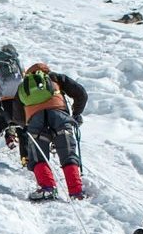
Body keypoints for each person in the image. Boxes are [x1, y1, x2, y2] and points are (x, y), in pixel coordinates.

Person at [12, 63, 89, 200]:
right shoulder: (55, 77)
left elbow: (17, 115)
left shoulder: (23, 86)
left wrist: (28, 123)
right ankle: (76, 192)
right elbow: (81, 94)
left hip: (36, 121)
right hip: (60, 117)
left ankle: (47, 188)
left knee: (38, 157)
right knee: (68, 153)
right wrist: (76, 114)